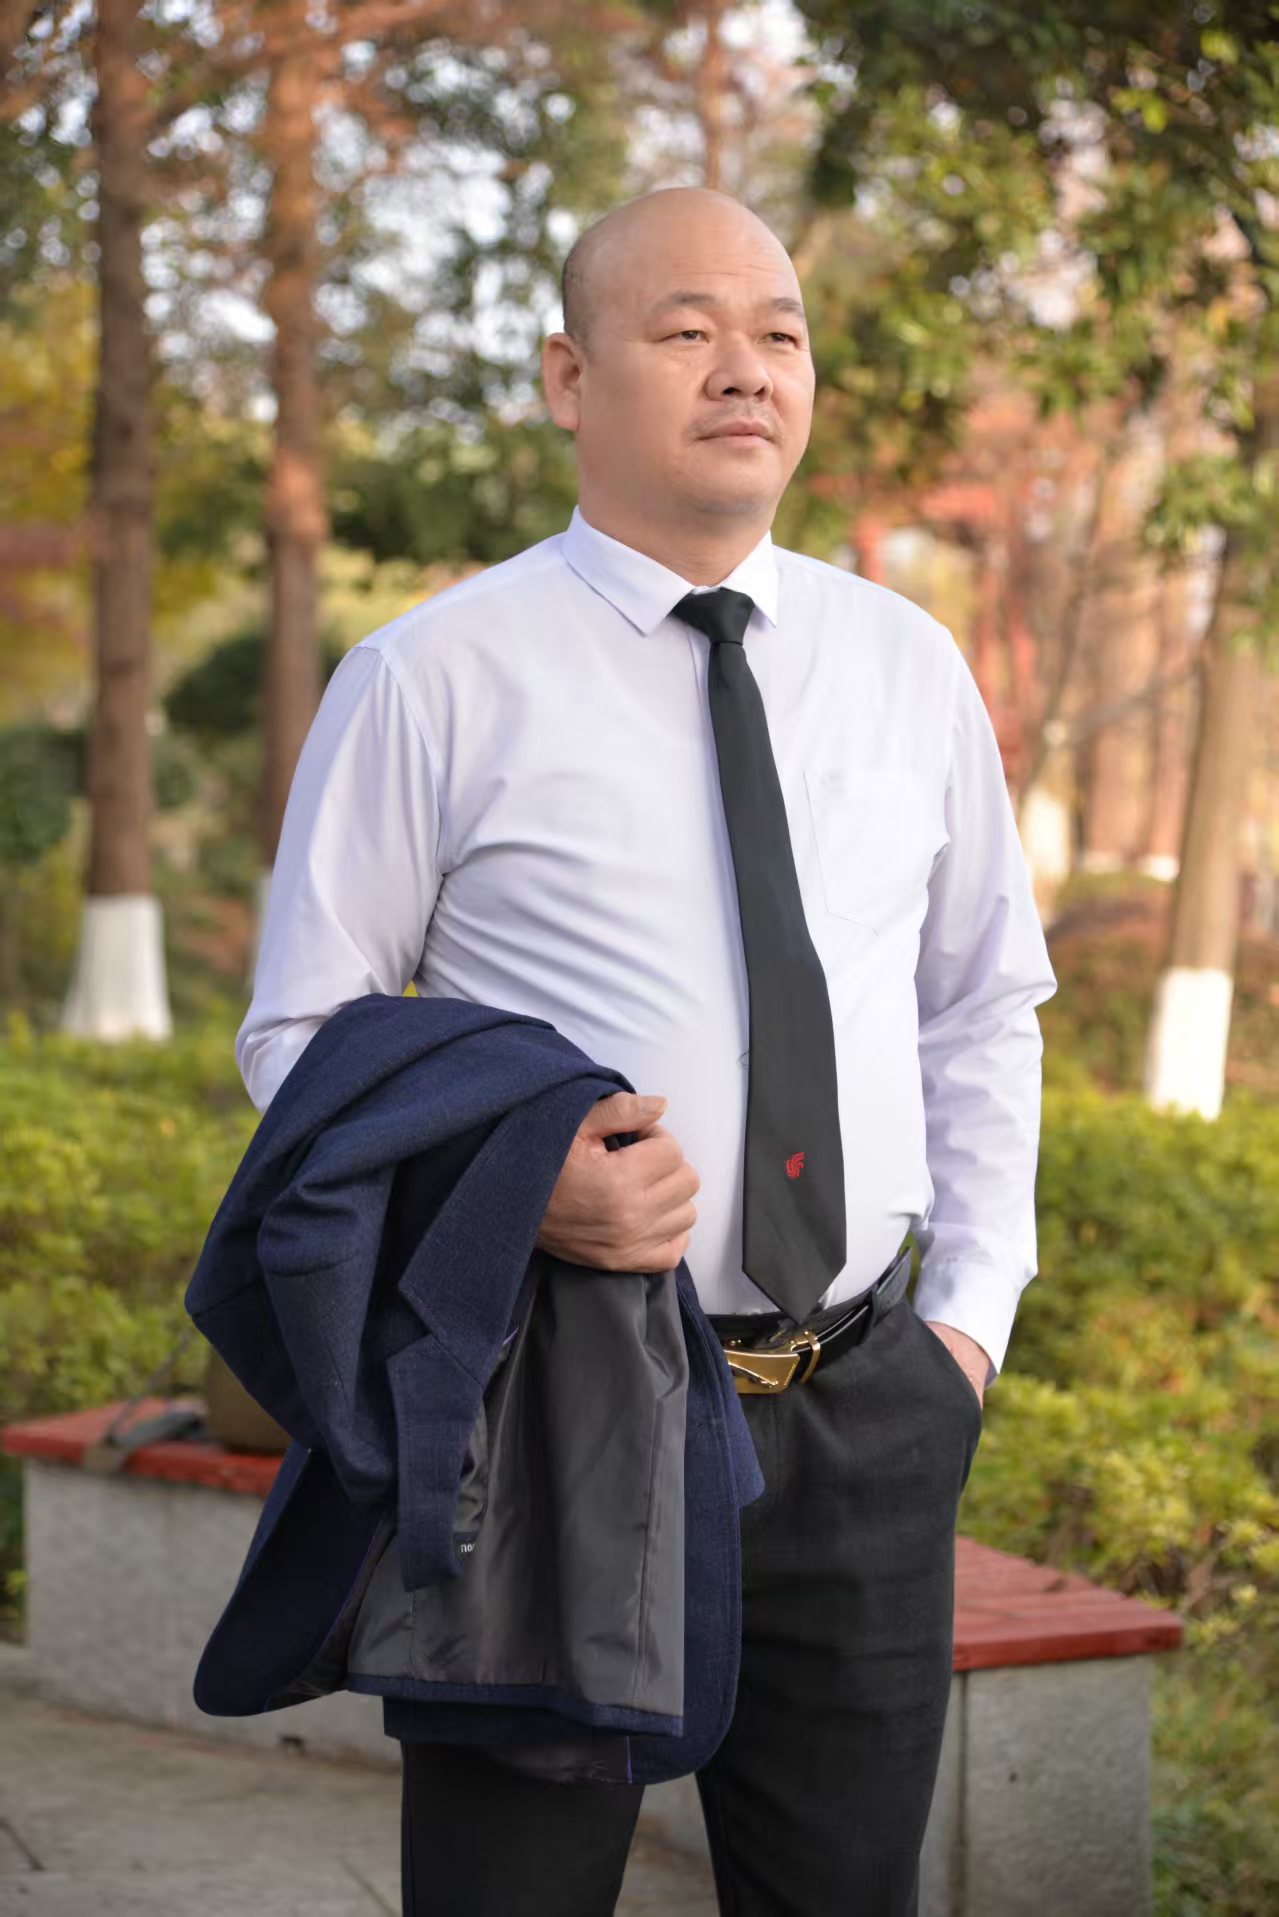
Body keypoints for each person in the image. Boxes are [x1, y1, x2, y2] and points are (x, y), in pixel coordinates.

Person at [236, 185, 1057, 1916]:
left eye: (779, 333)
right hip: (561, 1408)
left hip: (867, 1399)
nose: (745, 368)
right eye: (687, 331)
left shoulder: (906, 667)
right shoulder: (432, 677)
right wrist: (513, 1188)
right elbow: (302, 1039)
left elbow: (982, 1003)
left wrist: (971, 1325)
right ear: (567, 377)